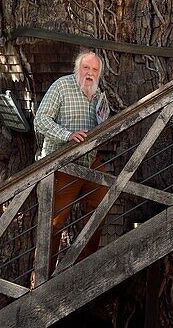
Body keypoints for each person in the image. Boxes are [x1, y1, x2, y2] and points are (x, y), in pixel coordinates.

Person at [33, 50, 111, 274]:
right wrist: (67, 135)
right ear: (78, 69)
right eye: (86, 68)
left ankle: (81, 268)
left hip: (88, 163)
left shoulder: (98, 95)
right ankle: (42, 278)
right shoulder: (62, 86)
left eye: (95, 70)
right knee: (53, 223)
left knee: (103, 200)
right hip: (62, 164)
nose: (90, 73)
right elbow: (41, 120)